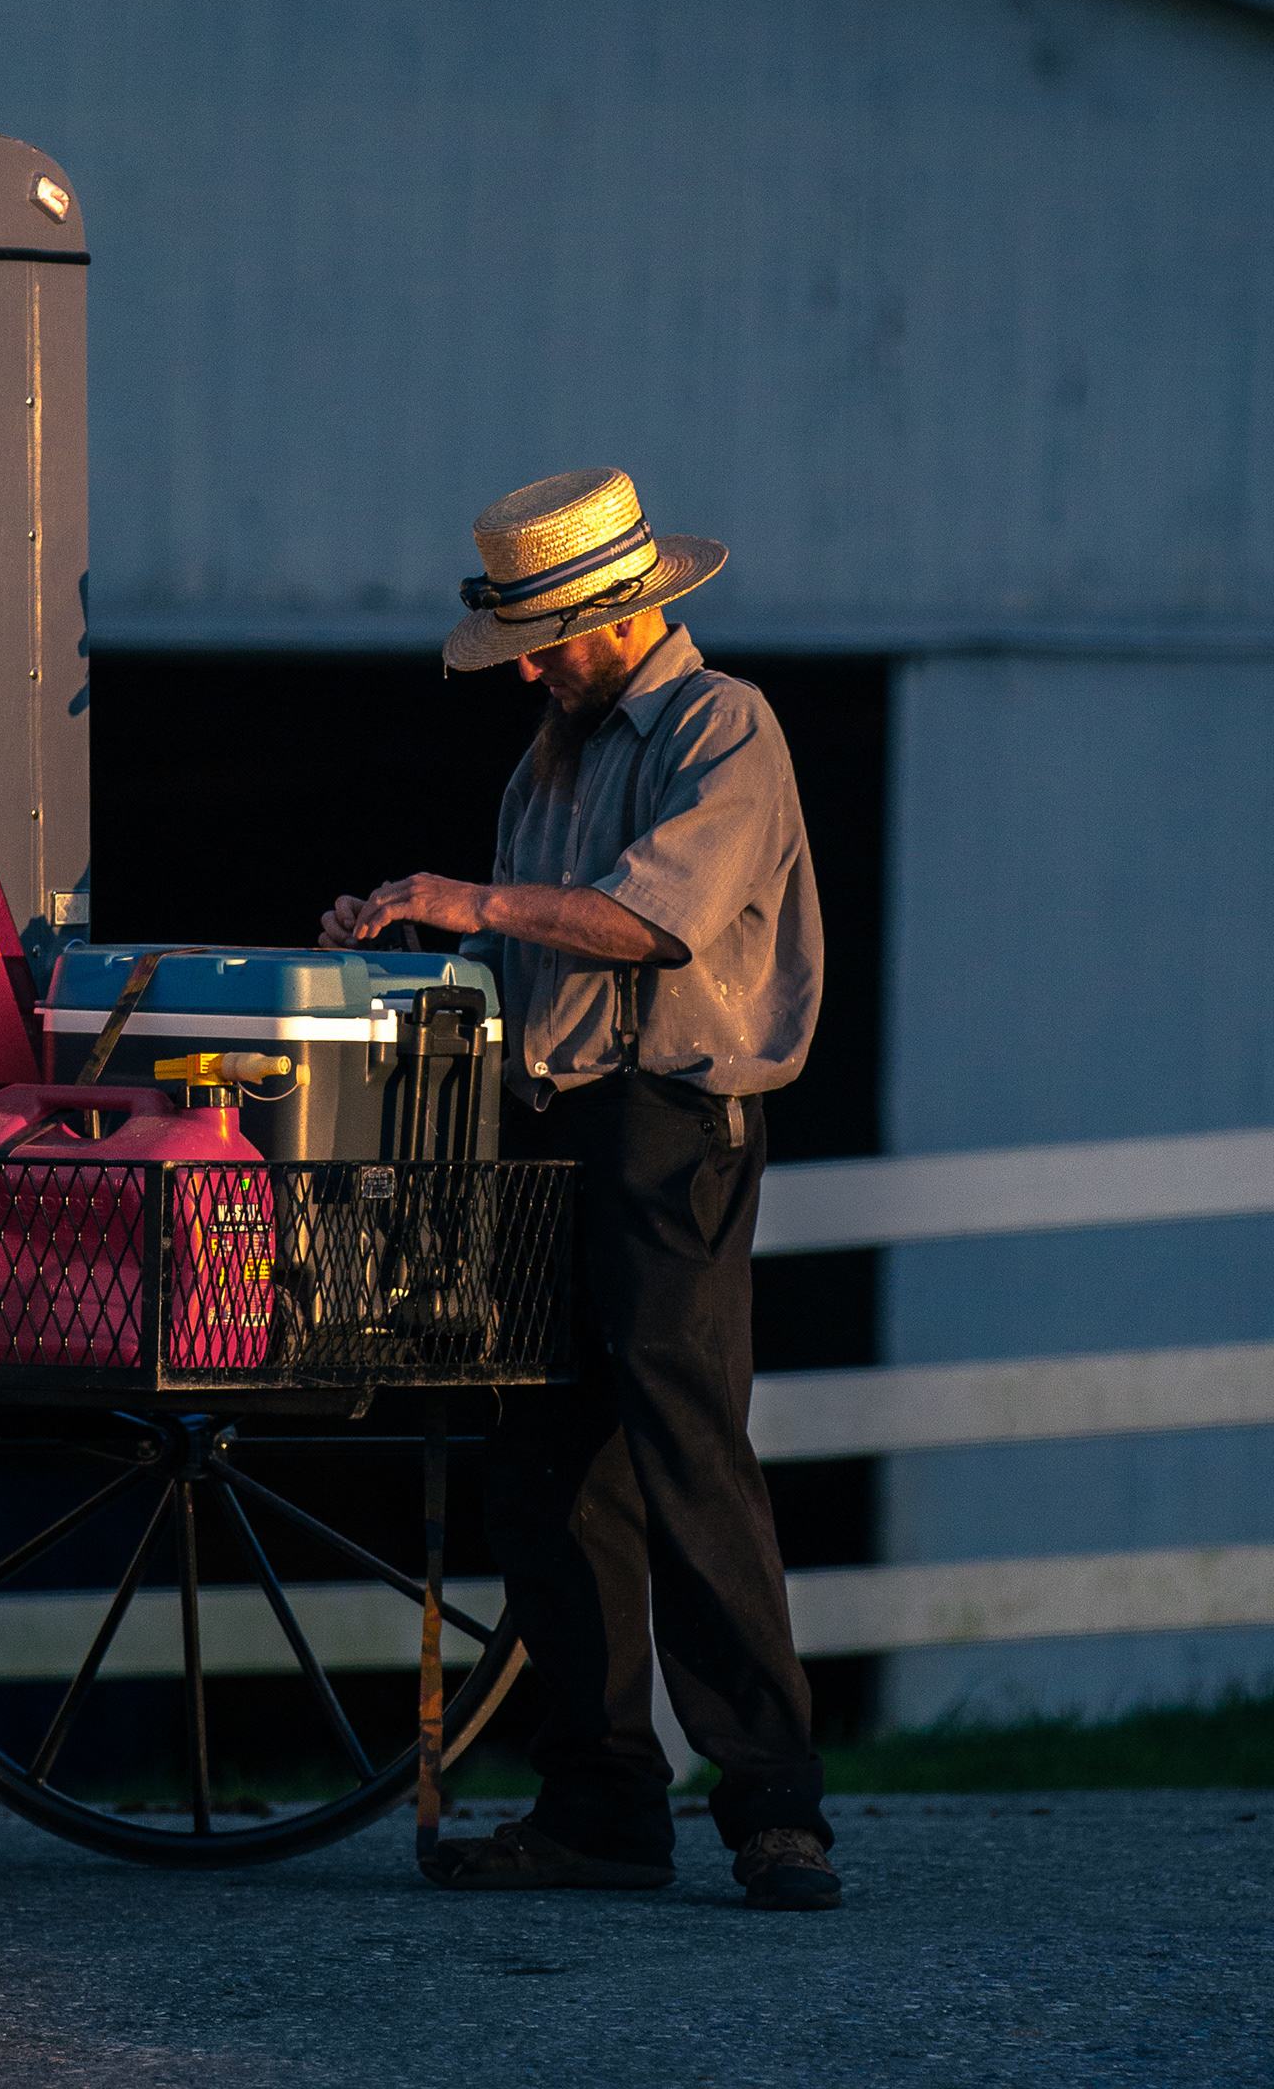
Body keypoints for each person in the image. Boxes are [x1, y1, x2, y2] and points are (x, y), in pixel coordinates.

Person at [320, 465, 837, 1911]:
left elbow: (653, 922)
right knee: (546, 1467)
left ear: (618, 614)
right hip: (548, 1120)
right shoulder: (549, 758)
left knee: (688, 1452)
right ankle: (601, 1805)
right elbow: (520, 959)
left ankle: (775, 1806)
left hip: (670, 1126)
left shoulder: (724, 725)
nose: (526, 668)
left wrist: (472, 901)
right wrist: (409, 940)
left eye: (542, 640)